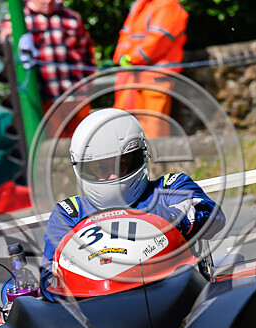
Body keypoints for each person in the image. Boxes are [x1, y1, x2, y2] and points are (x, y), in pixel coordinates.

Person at [40, 108, 224, 291]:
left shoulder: (169, 188)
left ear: (140, 157)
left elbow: (213, 216)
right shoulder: (70, 213)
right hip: (98, 304)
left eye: (122, 164)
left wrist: (169, 219)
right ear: (82, 168)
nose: (112, 176)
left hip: (173, 291)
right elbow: (50, 280)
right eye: (100, 168)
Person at [0, 0, 95, 136]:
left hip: (75, 97)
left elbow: (87, 52)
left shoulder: (71, 18)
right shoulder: (21, 19)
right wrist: (3, 32)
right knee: (53, 147)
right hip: (45, 98)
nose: (47, 1)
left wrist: (88, 84)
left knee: (83, 139)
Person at [112, 0, 189, 138]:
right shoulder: (140, 5)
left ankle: (156, 159)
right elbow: (125, 33)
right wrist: (122, 56)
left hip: (156, 77)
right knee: (127, 124)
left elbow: (159, 39)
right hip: (133, 76)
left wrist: (132, 58)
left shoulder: (167, 5)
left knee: (153, 126)